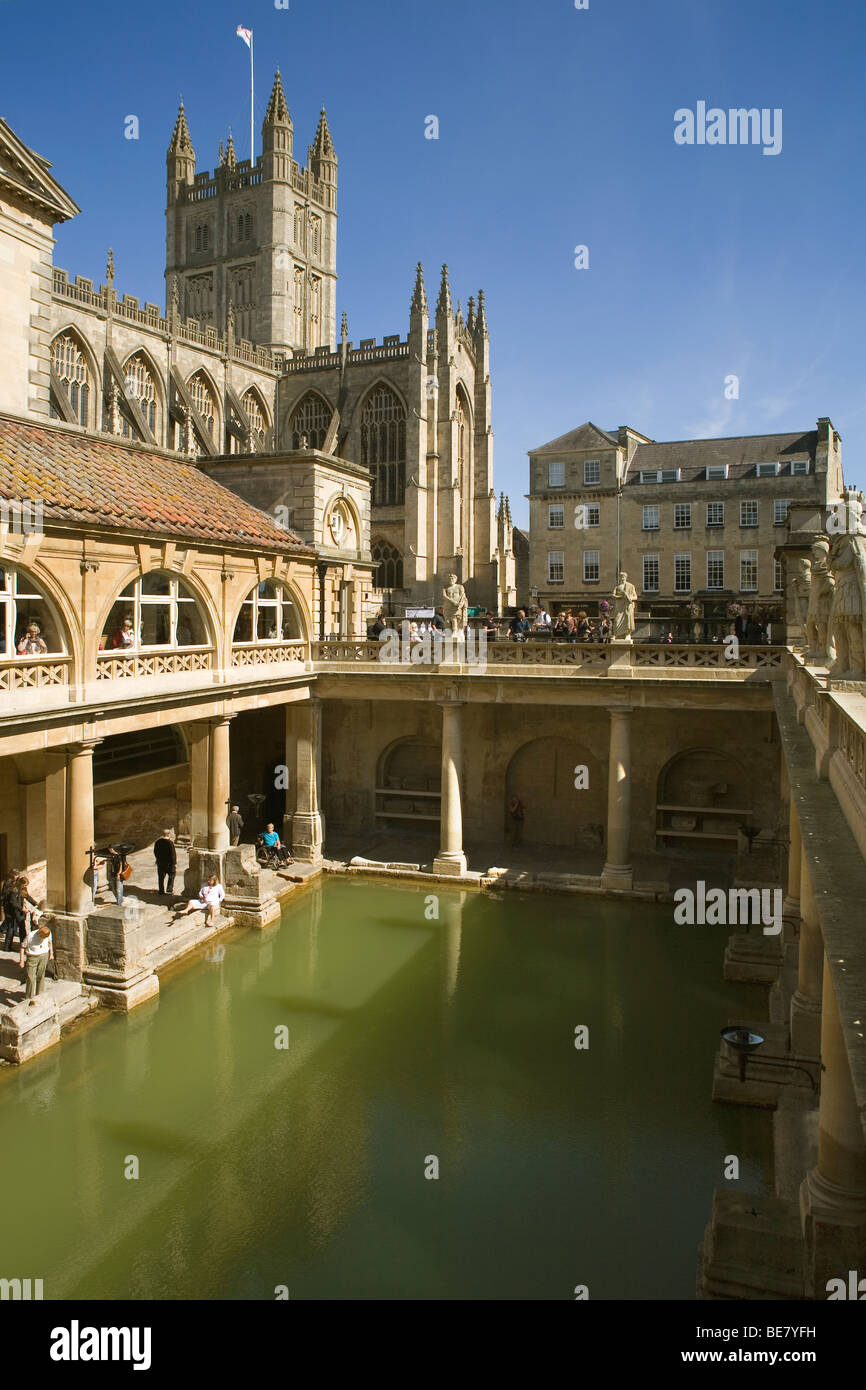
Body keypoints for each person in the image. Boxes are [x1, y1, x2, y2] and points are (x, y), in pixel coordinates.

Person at [20, 921, 53, 1005]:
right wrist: (21, 961)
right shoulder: (30, 936)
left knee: (40, 975)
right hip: (32, 957)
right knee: (31, 977)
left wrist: (51, 954)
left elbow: (50, 943)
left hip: (44, 955)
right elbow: (22, 947)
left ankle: (39, 996)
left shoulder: (48, 933)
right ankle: (28, 998)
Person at [3, 874, 36, 952]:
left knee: (21, 928)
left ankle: (22, 944)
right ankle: (7, 947)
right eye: (24, 885)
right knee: (11, 929)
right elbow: (13, 902)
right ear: (21, 884)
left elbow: (27, 897)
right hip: (11, 912)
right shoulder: (14, 890)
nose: (25, 886)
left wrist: (35, 903)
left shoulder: (23, 889)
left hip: (18, 911)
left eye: (26, 885)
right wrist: (22, 909)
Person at [153, 829, 177, 897]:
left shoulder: (158, 842)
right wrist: (174, 863)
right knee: (172, 875)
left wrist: (158, 859)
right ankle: (169, 889)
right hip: (169, 864)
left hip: (160, 862)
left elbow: (155, 852)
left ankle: (161, 891)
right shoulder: (170, 843)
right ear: (168, 834)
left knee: (161, 877)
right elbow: (173, 854)